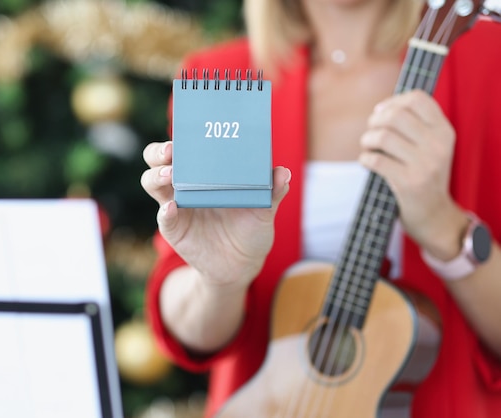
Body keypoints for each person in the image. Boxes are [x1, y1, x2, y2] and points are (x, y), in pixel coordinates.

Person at [140, 0, 501, 416]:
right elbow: (188, 331)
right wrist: (218, 281)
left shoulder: (487, 62)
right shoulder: (223, 78)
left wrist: (443, 227)